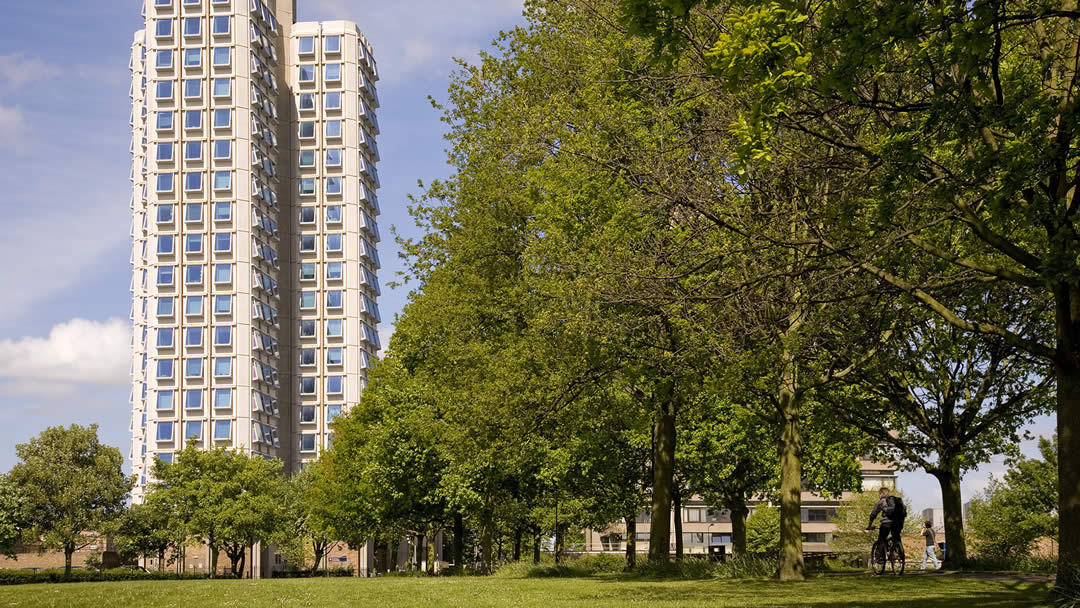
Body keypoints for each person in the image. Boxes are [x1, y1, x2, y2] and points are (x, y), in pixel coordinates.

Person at [867, 487, 906, 555]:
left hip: (886, 523)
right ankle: (900, 551)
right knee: (896, 536)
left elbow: (873, 514)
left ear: (881, 493)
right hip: (898, 523)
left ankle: (880, 556)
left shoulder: (882, 501)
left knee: (882, 538)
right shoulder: (897, 501)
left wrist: (869, 526)